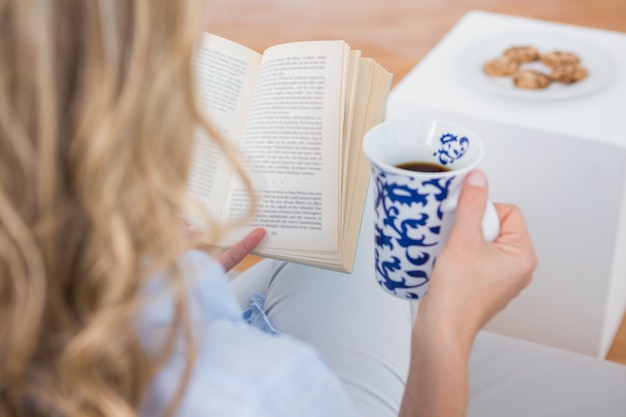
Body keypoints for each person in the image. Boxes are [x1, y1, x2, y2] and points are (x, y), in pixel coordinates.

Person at [1, 1, 625, 417]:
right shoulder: (259, 390)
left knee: (350, 236)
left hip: (127, 319)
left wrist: (156, 279)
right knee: (360, 230)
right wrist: (449, 330)